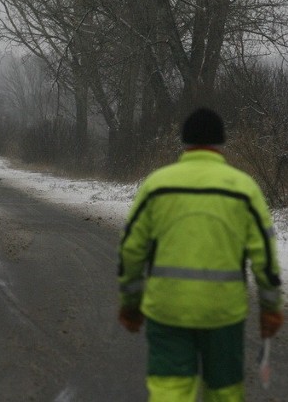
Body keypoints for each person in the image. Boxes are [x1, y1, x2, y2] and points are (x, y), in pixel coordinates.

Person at [117, 107, 283, 401]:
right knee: (224, 392)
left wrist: (130, 302)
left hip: (167, 309)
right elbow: (265, 258)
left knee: (170, 391)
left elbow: (131, 250)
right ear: (222, 143)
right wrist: (270, 307)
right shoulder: (243, 189)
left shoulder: (157, 185)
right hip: (223, 313)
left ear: (184, 141)